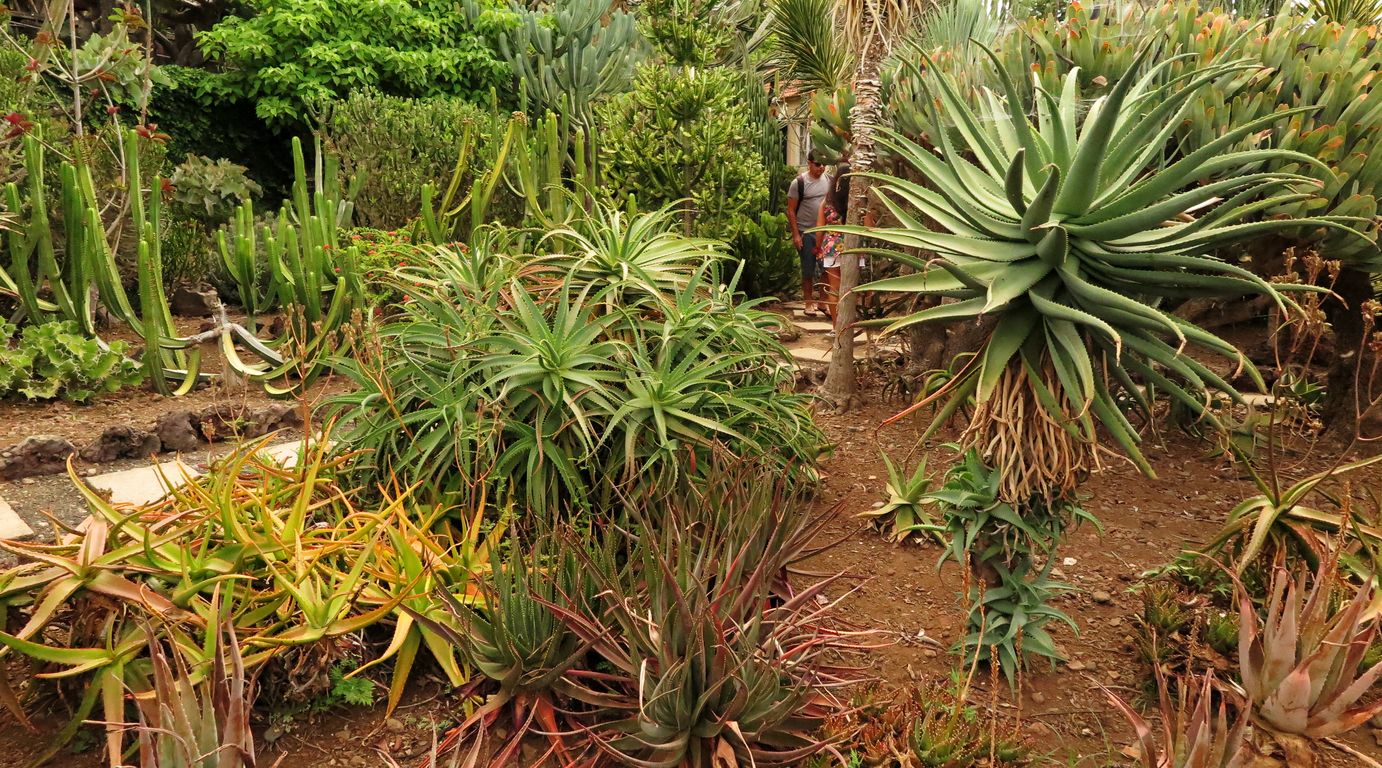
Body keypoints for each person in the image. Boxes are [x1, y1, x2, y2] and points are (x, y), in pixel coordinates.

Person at [786, 151, 832, 316]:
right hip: (806, 231)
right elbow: (791, 211)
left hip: (825, 232)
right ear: (809, 163)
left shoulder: (829, 180)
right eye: (818, 164)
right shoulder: (798, 183)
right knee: (808, 269)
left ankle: (822, 301)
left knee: (827, 268)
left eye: (823, 165)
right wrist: (796, 234)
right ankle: (808, 302)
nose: (821, 168)